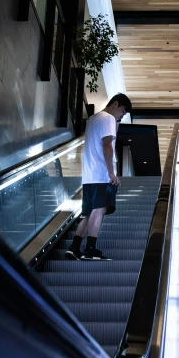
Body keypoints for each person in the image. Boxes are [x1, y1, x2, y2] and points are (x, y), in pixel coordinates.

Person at [65, 93, 132, 261]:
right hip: (101, 174)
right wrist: (111, 172)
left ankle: (74, 247)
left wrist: (116, 122)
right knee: (99, 210)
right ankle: (90, 249)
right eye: (122, 112)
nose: (121, 116)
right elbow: (108, 146)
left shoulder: (93, 119)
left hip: (88, 176)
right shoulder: (108, 118)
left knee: (88, 213)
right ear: (115, 104)